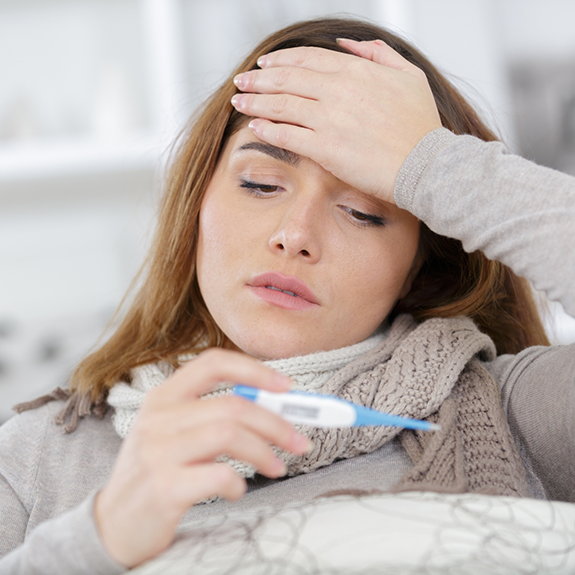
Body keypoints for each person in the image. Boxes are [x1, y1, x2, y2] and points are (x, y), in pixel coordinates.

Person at [0, 16, 574, 574]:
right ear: (196, 203)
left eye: (362, 211)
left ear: (423, 269)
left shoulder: (517, 416)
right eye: (261, 184)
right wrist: (96, 539)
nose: (295, 236)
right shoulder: (36, 458)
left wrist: (436, 165)